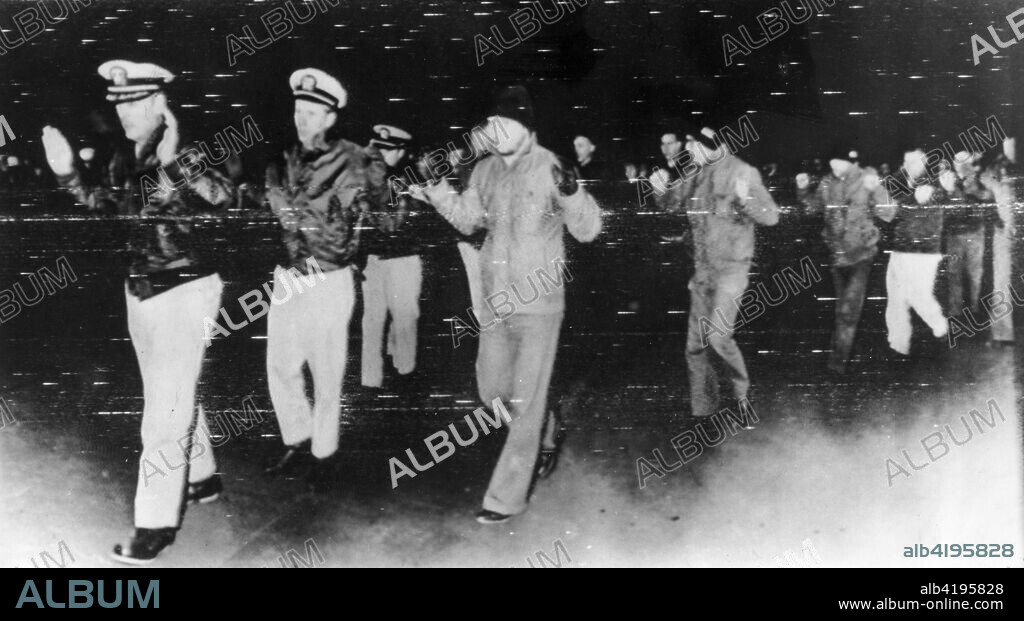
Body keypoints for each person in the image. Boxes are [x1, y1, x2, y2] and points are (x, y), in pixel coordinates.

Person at [42, 60, 237, 564]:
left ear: (158, 103)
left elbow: (227, 201)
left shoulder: (192, 149)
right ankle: (203, 478)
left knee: (162, 414)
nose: (123, 111)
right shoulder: (119, 157)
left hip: (186, 289)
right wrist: (67, 172)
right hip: (141, 290)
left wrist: (175, 165)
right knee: (171, 393)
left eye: (132, 102)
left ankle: (154, 526)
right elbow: (103, 209)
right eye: (118, 103)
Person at [412, 85, 602, 524]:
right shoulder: (483, 171)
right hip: (497, 300)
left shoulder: (552, 165)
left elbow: (589, 229)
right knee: (492, 393)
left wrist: (573, 193)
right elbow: (468, 220)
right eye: (490, 126)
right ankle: (546, 421)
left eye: (503, 125)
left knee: (523, 401)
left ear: (527, 127)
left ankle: (505, 499)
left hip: (540, 304)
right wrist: (438, 191)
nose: (494, 133)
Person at [263, 68, 387, 482]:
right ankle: (298, 439)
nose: (303, 118)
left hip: (330, 278)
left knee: (326, 370)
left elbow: (385, 217)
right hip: (289, 275)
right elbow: (276, 211)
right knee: (280, 364)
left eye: (313, 113)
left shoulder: (356, 158)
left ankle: (324, 454)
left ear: (331, 118)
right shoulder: (283, 158)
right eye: (299, 109)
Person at [653, 124, 779, 420]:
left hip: (732, 270)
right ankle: (704, 409)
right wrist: (658, 188)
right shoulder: (695, 173)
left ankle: (742, 396)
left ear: (712, 144)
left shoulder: (743, 172)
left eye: (693, 145)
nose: (689, 151)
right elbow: (672, 204)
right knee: (695, 344)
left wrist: (745, 199)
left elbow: (771, 216)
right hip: (703, 271)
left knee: (719, 336)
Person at [797, 147, 891, 374]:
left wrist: (877, 190)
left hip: (861, 256)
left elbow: (888, 212)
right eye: (832, 162)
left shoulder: (865, 179)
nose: (834, 167)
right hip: (837, 257)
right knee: (842, 310)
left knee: (848, 310)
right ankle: (846, 353)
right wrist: (802, 190)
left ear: (850, 162)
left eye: (839, 162)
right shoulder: (827, 183)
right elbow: (811, 209)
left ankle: (837, 364)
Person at [360, 124, 425, 390]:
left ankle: (405, 374)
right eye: (378, 149)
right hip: (373, 259)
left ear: (401, 152)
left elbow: (393, 225)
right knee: (372, 321)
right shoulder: (367, 179)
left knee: (405, 318)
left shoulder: (409, 180)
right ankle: (370, 381)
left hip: (404, 260)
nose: (380, 155)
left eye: (386, 150)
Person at [883, 147, 948, 356]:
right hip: (901, 248)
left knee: (918, 296)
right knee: (895, 296)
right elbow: (886, 196)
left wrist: (934, 190)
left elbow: (939, 194)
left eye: (916, 162)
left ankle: (940, 327)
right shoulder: (899, 181)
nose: (911, 167)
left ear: (925, 162)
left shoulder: (936, 180)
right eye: (907, 162)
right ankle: (897, 345)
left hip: (924, 252)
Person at [941, 152, 989, 318]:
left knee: (975, 273)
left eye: (965, 163)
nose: (962, 167)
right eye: (959, 163)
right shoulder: (949, 182)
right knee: (954, 273)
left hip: (974, 233)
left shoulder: (978, 180)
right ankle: (956, 312)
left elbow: (986, 198)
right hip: (955, 234)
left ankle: (975, 308)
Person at [981, 137, 1018, 345]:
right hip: (1004, 233)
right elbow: (985, 183)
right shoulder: (994, 170)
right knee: (1001, 281)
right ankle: (1003, 334)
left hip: (1009, 232)